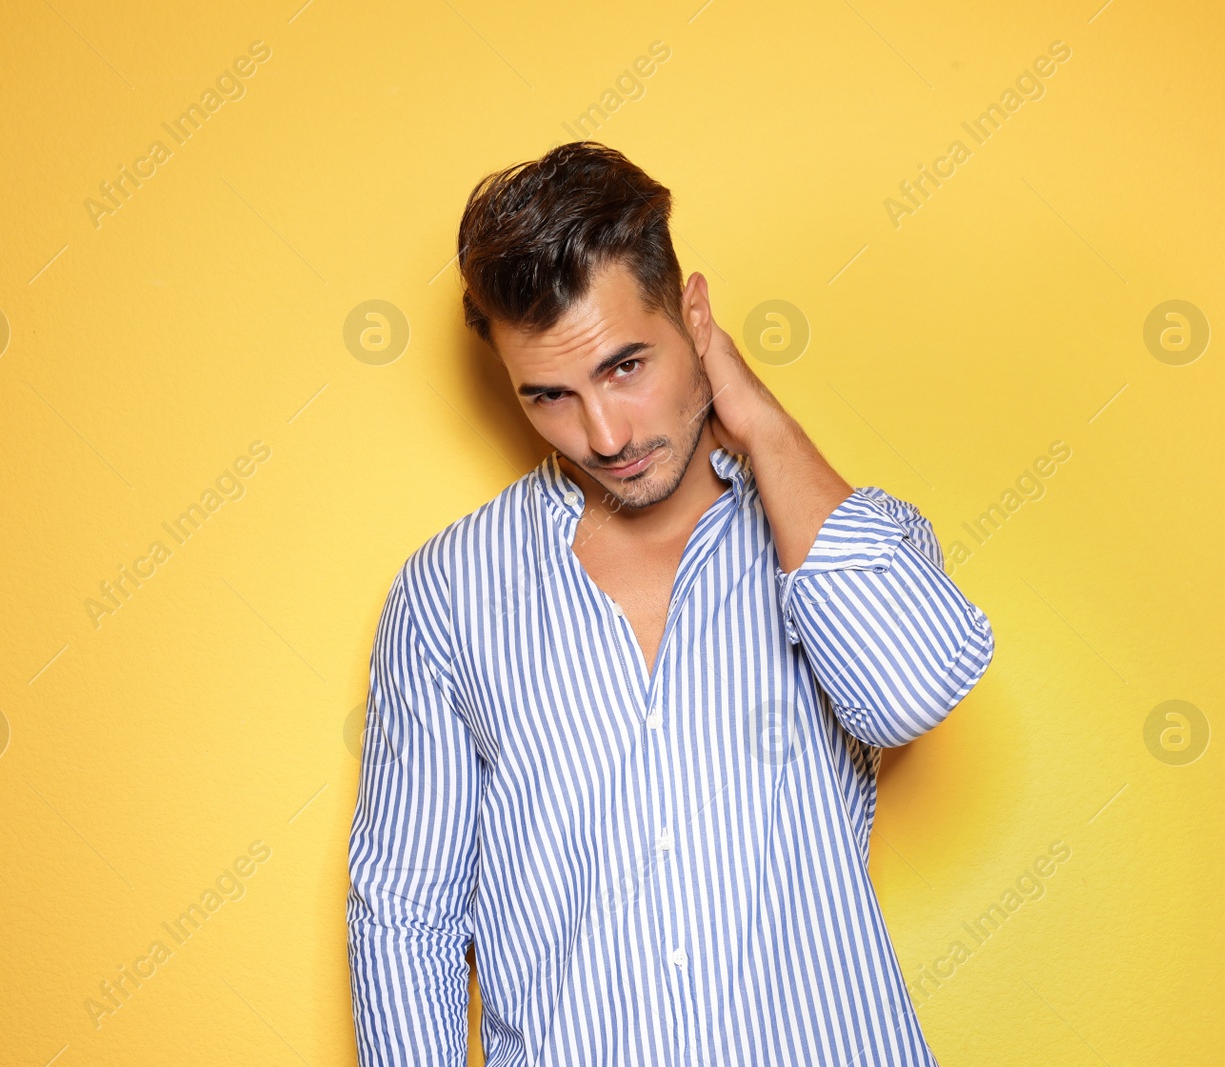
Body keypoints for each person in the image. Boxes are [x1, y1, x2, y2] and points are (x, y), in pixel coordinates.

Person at [346, 141, 996, 1066]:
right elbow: (405, 915)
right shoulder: (450, 594)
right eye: (549, 396)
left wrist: (762, 422)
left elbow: (909, 692)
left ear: (693, 315)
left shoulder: (834, 532)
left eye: (625, 367)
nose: (604, 435)